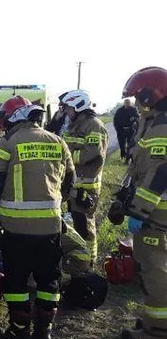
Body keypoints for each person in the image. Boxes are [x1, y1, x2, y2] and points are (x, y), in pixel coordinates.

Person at [0, 95, 74, 339]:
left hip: (16, 228)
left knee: (16, 281)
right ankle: (44, 333)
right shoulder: (58, 141)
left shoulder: (7, 143)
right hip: (51, 225)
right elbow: (70, 180)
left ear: (13, 118)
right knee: (49, 280)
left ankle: (18, 331)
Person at [111, 66, 167, 339]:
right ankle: (157, 320)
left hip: (157, 213)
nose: (137, 104)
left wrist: (138, 210)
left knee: (154, 269)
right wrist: (123, 197)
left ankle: (158, 331)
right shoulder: (154, 122)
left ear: (152, 94)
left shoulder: (162, 126)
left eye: (139, 97)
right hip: (155, 210)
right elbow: (138, 168)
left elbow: (159, 174)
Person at [58, 89, 108, 265]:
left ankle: (89, 261)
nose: (67, 113)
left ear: (78, 106)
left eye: (69, 109)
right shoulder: (72, 126)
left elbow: (91, 154)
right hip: (73, 184)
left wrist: (66, 156)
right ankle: (79, 258)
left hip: (87, 185)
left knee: (85, 225)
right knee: (73, 222)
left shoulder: (94, 125)